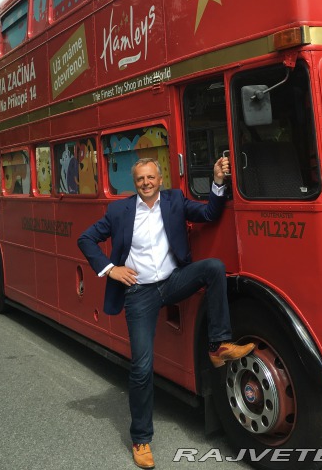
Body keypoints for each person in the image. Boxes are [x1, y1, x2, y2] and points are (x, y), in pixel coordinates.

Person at [77, 156, 254, 469]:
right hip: (140, 293)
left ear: (160, 180)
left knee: (214, 268)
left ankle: (219, 345)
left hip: (172, 282)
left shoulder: (174, 200)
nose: (146, 182)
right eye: (140, 179)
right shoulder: (120, 210)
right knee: (142, 368)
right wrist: (110, 269)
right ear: (135, 183)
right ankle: (141, 439)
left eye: (151, 177)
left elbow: (210, 213)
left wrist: (217, 182)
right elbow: (86, 238)